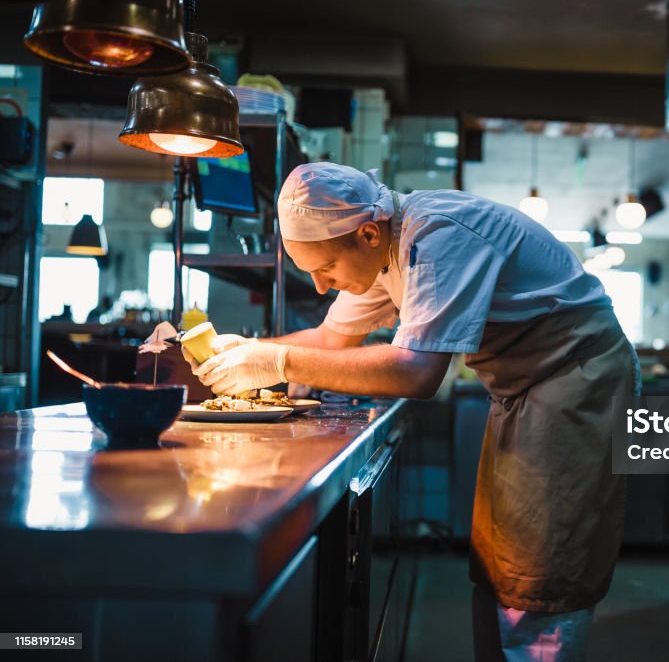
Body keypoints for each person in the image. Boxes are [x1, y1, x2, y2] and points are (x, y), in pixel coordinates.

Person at [185, 163, 639, 661]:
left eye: (325, 270)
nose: (319, 287)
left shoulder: (438, 236)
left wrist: (277, 360)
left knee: (544, 568)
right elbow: (329, 340)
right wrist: (245, 351)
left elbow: (416, 373)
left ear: (367, 233)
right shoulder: (382, 253)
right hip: (525, 390)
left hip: (575, 380)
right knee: (505, 563)